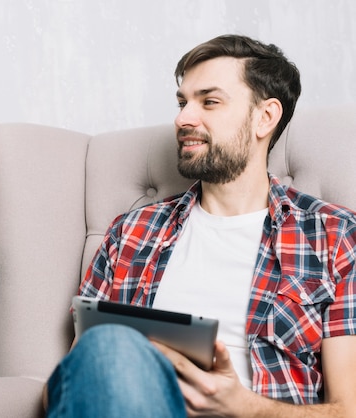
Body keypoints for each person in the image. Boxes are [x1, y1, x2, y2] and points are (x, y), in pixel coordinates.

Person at [44, 34, 356, 417]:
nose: (182, 118)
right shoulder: (131, 232)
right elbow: (68, 386)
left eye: (209, 102)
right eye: (182, 102)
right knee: (108, 347)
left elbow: (348, 410)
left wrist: (243, 404)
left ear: (265, 117)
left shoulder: (335, 236)